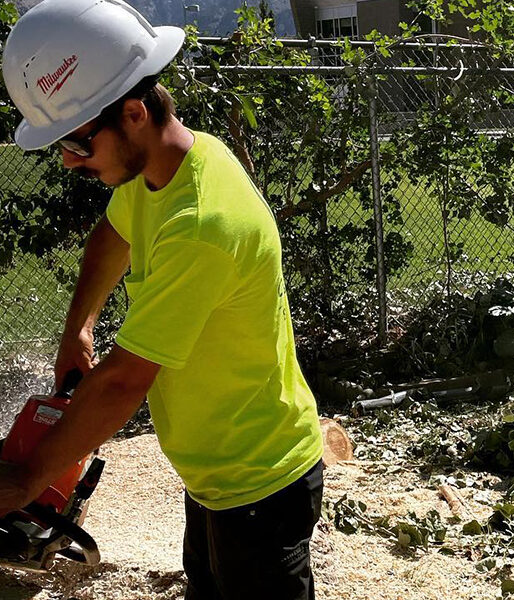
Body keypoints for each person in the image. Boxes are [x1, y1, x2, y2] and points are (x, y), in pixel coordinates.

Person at [0, 1, 324, 598]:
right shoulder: (161, 175)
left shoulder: (202, 222)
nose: (70, 161)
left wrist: (23, 481)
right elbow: (111, 237)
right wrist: (79, 328)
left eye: (76, 142)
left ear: (132, 112)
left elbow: (125, 382)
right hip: (214, 478)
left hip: (259, 482)